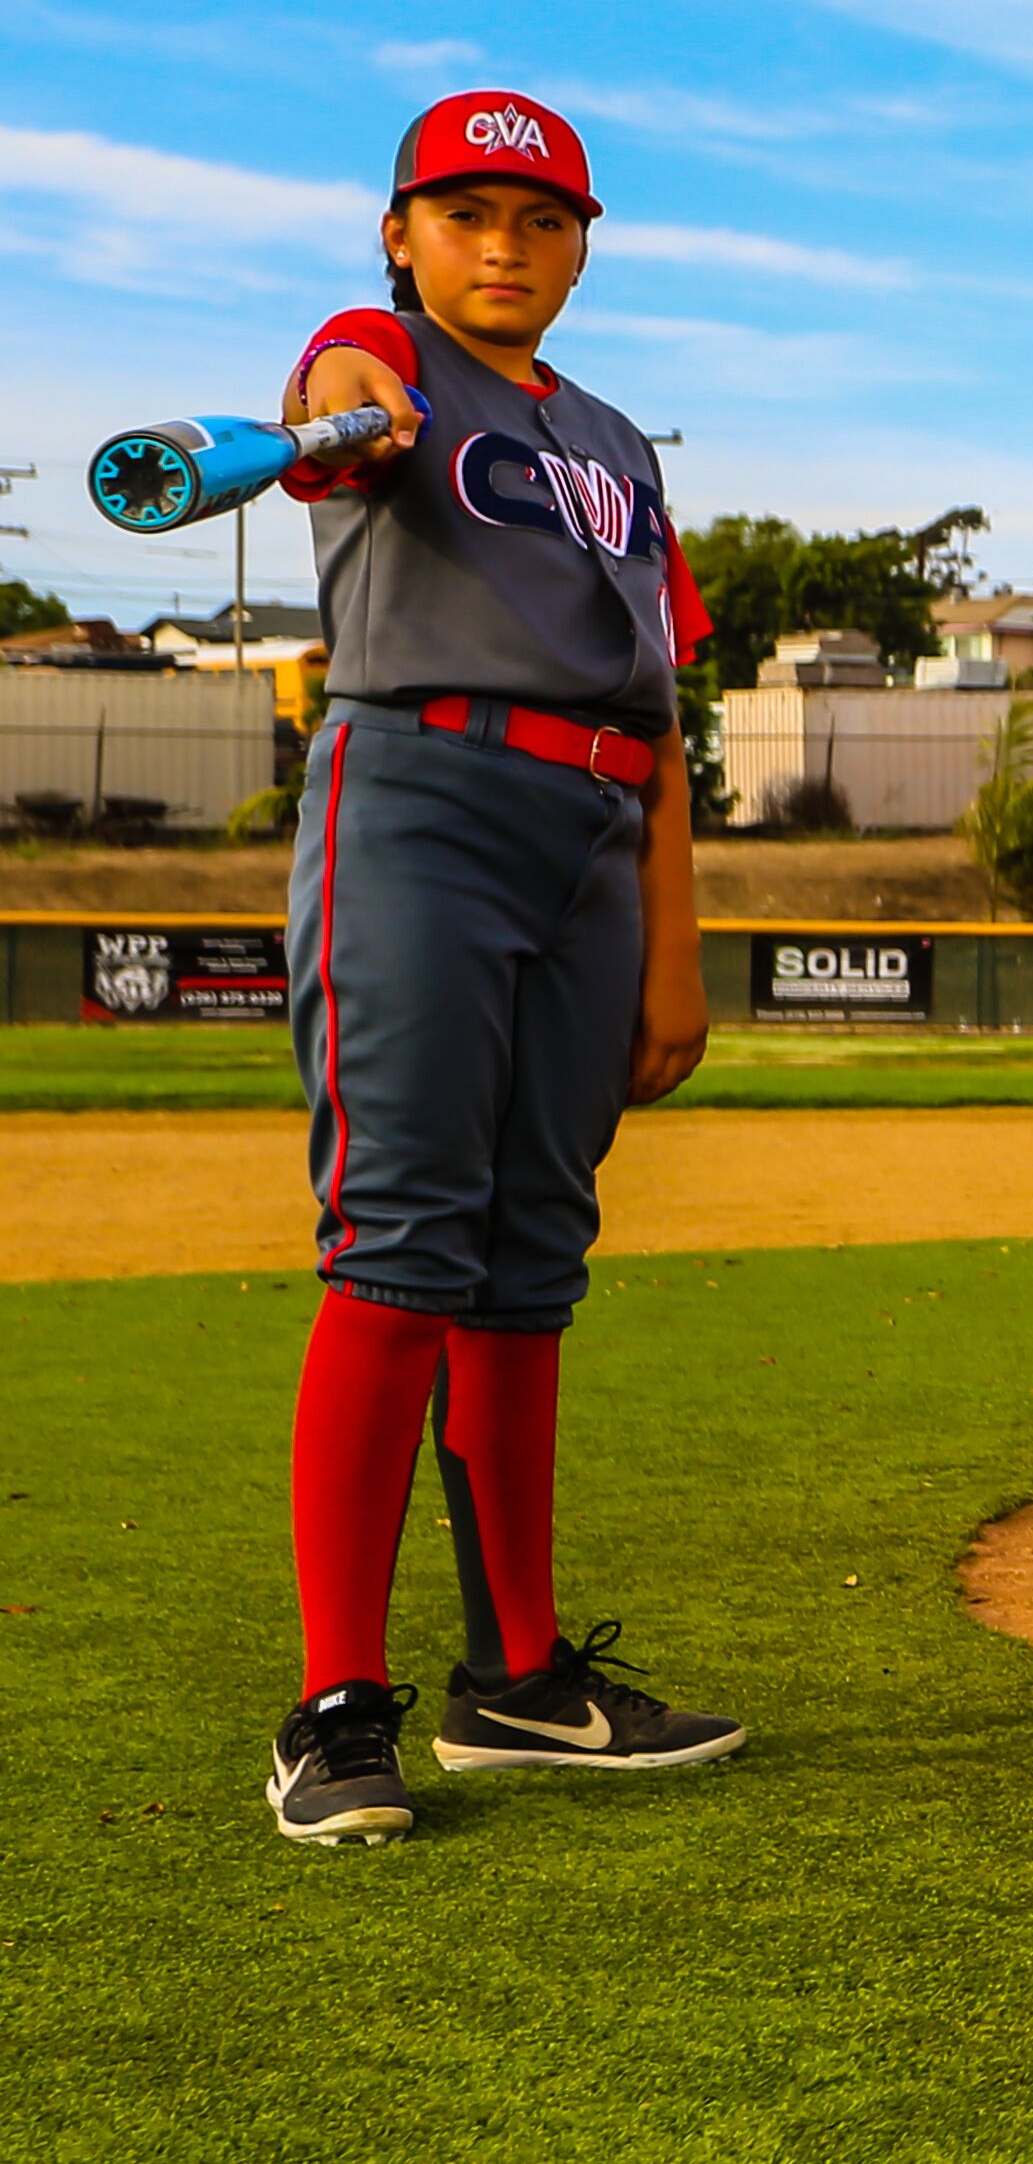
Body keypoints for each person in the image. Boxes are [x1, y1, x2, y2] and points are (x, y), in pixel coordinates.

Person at [259, 91, 739, 1847]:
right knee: (401, 1238)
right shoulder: (385, 365)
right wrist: (341, 403)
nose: (504, 247)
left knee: (530, 1255)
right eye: (464, 214)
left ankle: (521, 1678)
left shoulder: (617, 441)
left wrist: (673, 953)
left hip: (599, 828)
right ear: (400, 231)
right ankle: (332, 1704)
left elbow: (667, 710)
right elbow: (331, 387)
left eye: (542, 221)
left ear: (584, 247)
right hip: (421, 795)